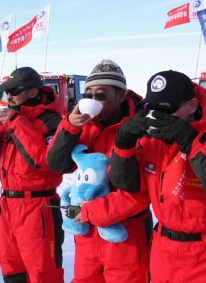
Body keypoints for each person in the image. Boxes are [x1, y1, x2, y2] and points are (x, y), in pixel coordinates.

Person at [46, 59, 152, 283]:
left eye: (101, 95)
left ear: (121, 95)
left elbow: (140, 194)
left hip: (126, 234)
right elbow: (56, 164)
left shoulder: (140, 128)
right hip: (88, 235)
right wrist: (70, 126)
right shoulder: (84, 125)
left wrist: (84, 213)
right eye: (88, 94)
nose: (93, 100)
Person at [108, 70, 206, 283]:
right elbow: (129, 186)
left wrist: (192, 142)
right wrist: (123, 145)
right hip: (164, 250)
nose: (157, 118)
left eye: (165, 111)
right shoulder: (152, 141)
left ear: (191, 106)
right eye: (151, 110)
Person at [0, 67, 64, 283]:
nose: (9, 96)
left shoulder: (52, 122)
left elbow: (41, 161)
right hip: (8, 205)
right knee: (12, 270)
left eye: (14, 91)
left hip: (38, 206)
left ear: (33, 92)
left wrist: (15, 121)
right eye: (7, 91)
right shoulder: (11, 119)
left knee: (44, 274)